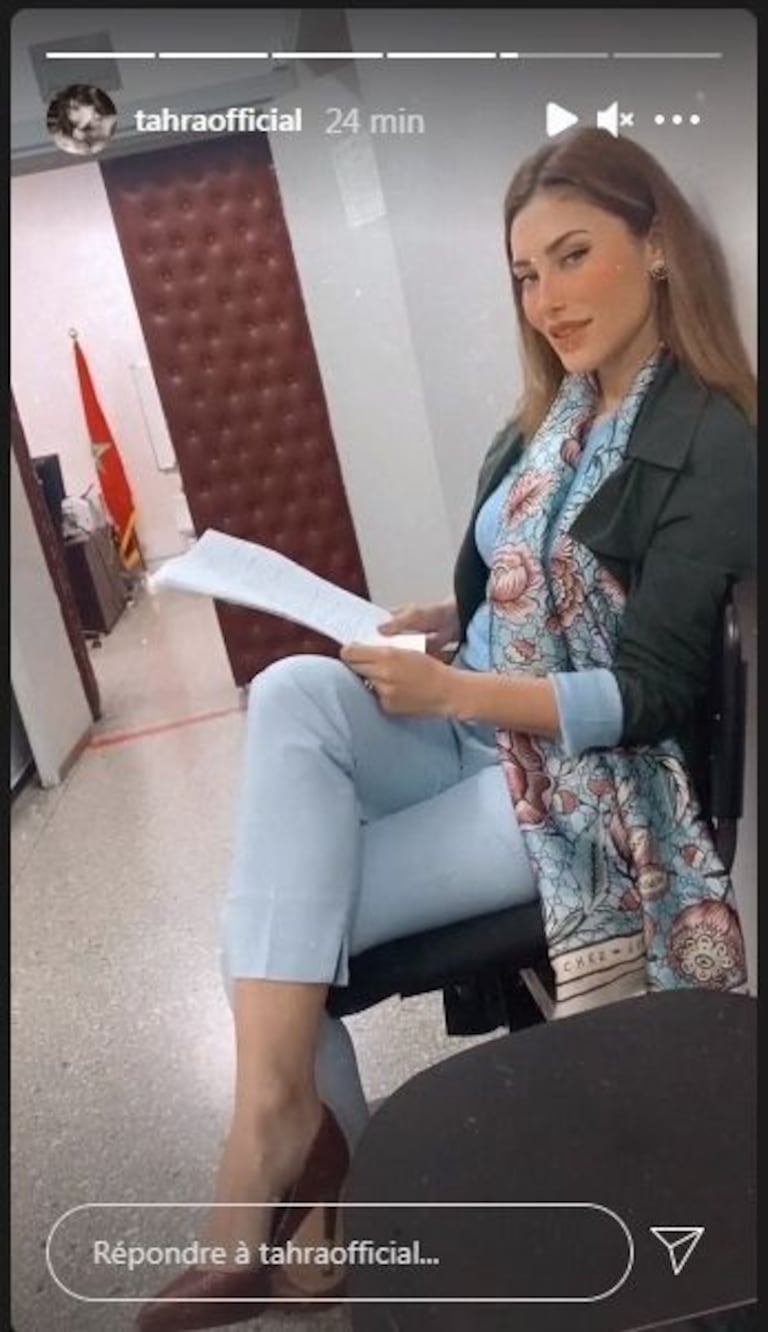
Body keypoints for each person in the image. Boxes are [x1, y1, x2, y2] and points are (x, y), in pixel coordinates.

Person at [138, 127, 756, 1329]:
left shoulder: (713, 439)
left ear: (658, 246)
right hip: (484, 731)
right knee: (294, 692)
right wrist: (442, 628)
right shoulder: (547, 421)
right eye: (526, 274)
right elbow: (519, 596)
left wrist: (458, 696)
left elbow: (649, 695)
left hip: (587, 786)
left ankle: (292, 1170)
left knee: (271, 928)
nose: (547, 299)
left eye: (573, 256)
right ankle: (298, 1154)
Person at [46, 84, 117, 157]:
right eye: (67, 112)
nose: (71, 116)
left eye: (76, 108)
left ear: (93, 106)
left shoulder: (113, 123)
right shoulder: (69, 137)